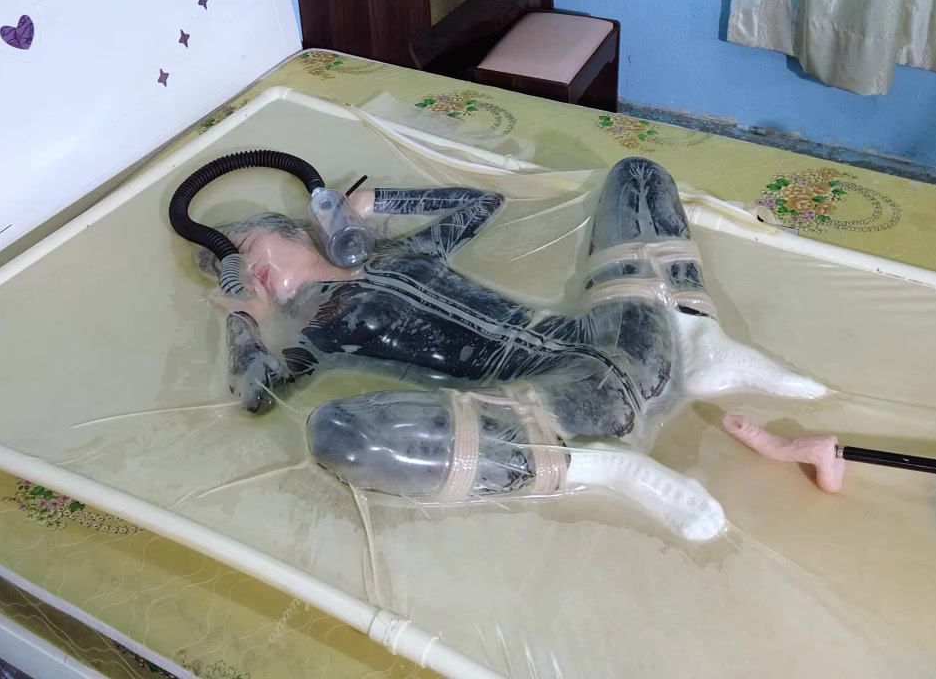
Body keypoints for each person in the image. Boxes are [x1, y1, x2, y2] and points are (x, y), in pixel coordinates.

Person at [202, 157, 825, 541]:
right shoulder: (317, 335)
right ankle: (604, 465)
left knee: (637, 176)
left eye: (246, 252)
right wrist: (244, 321)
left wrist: (372, 205)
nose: (248, 272)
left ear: (299, 233)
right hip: (557, 408)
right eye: (235, 272)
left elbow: (482, 205)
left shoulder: (402, 251)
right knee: (337, 434)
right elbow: (259, 392)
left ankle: (695, 335)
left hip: (616, 336)